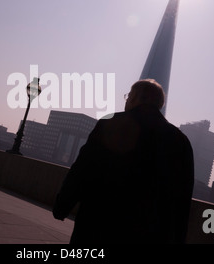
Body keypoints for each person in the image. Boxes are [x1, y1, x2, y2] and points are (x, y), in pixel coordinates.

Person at [52, 79, 194, 244]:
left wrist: (62, 206)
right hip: (150, 234)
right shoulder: (180, 141)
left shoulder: (111, 123)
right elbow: (183, 198)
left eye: (128, 96)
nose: (126, 100)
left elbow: (83, 170)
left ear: (135, 98)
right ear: (159, 105)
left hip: (99, 225)